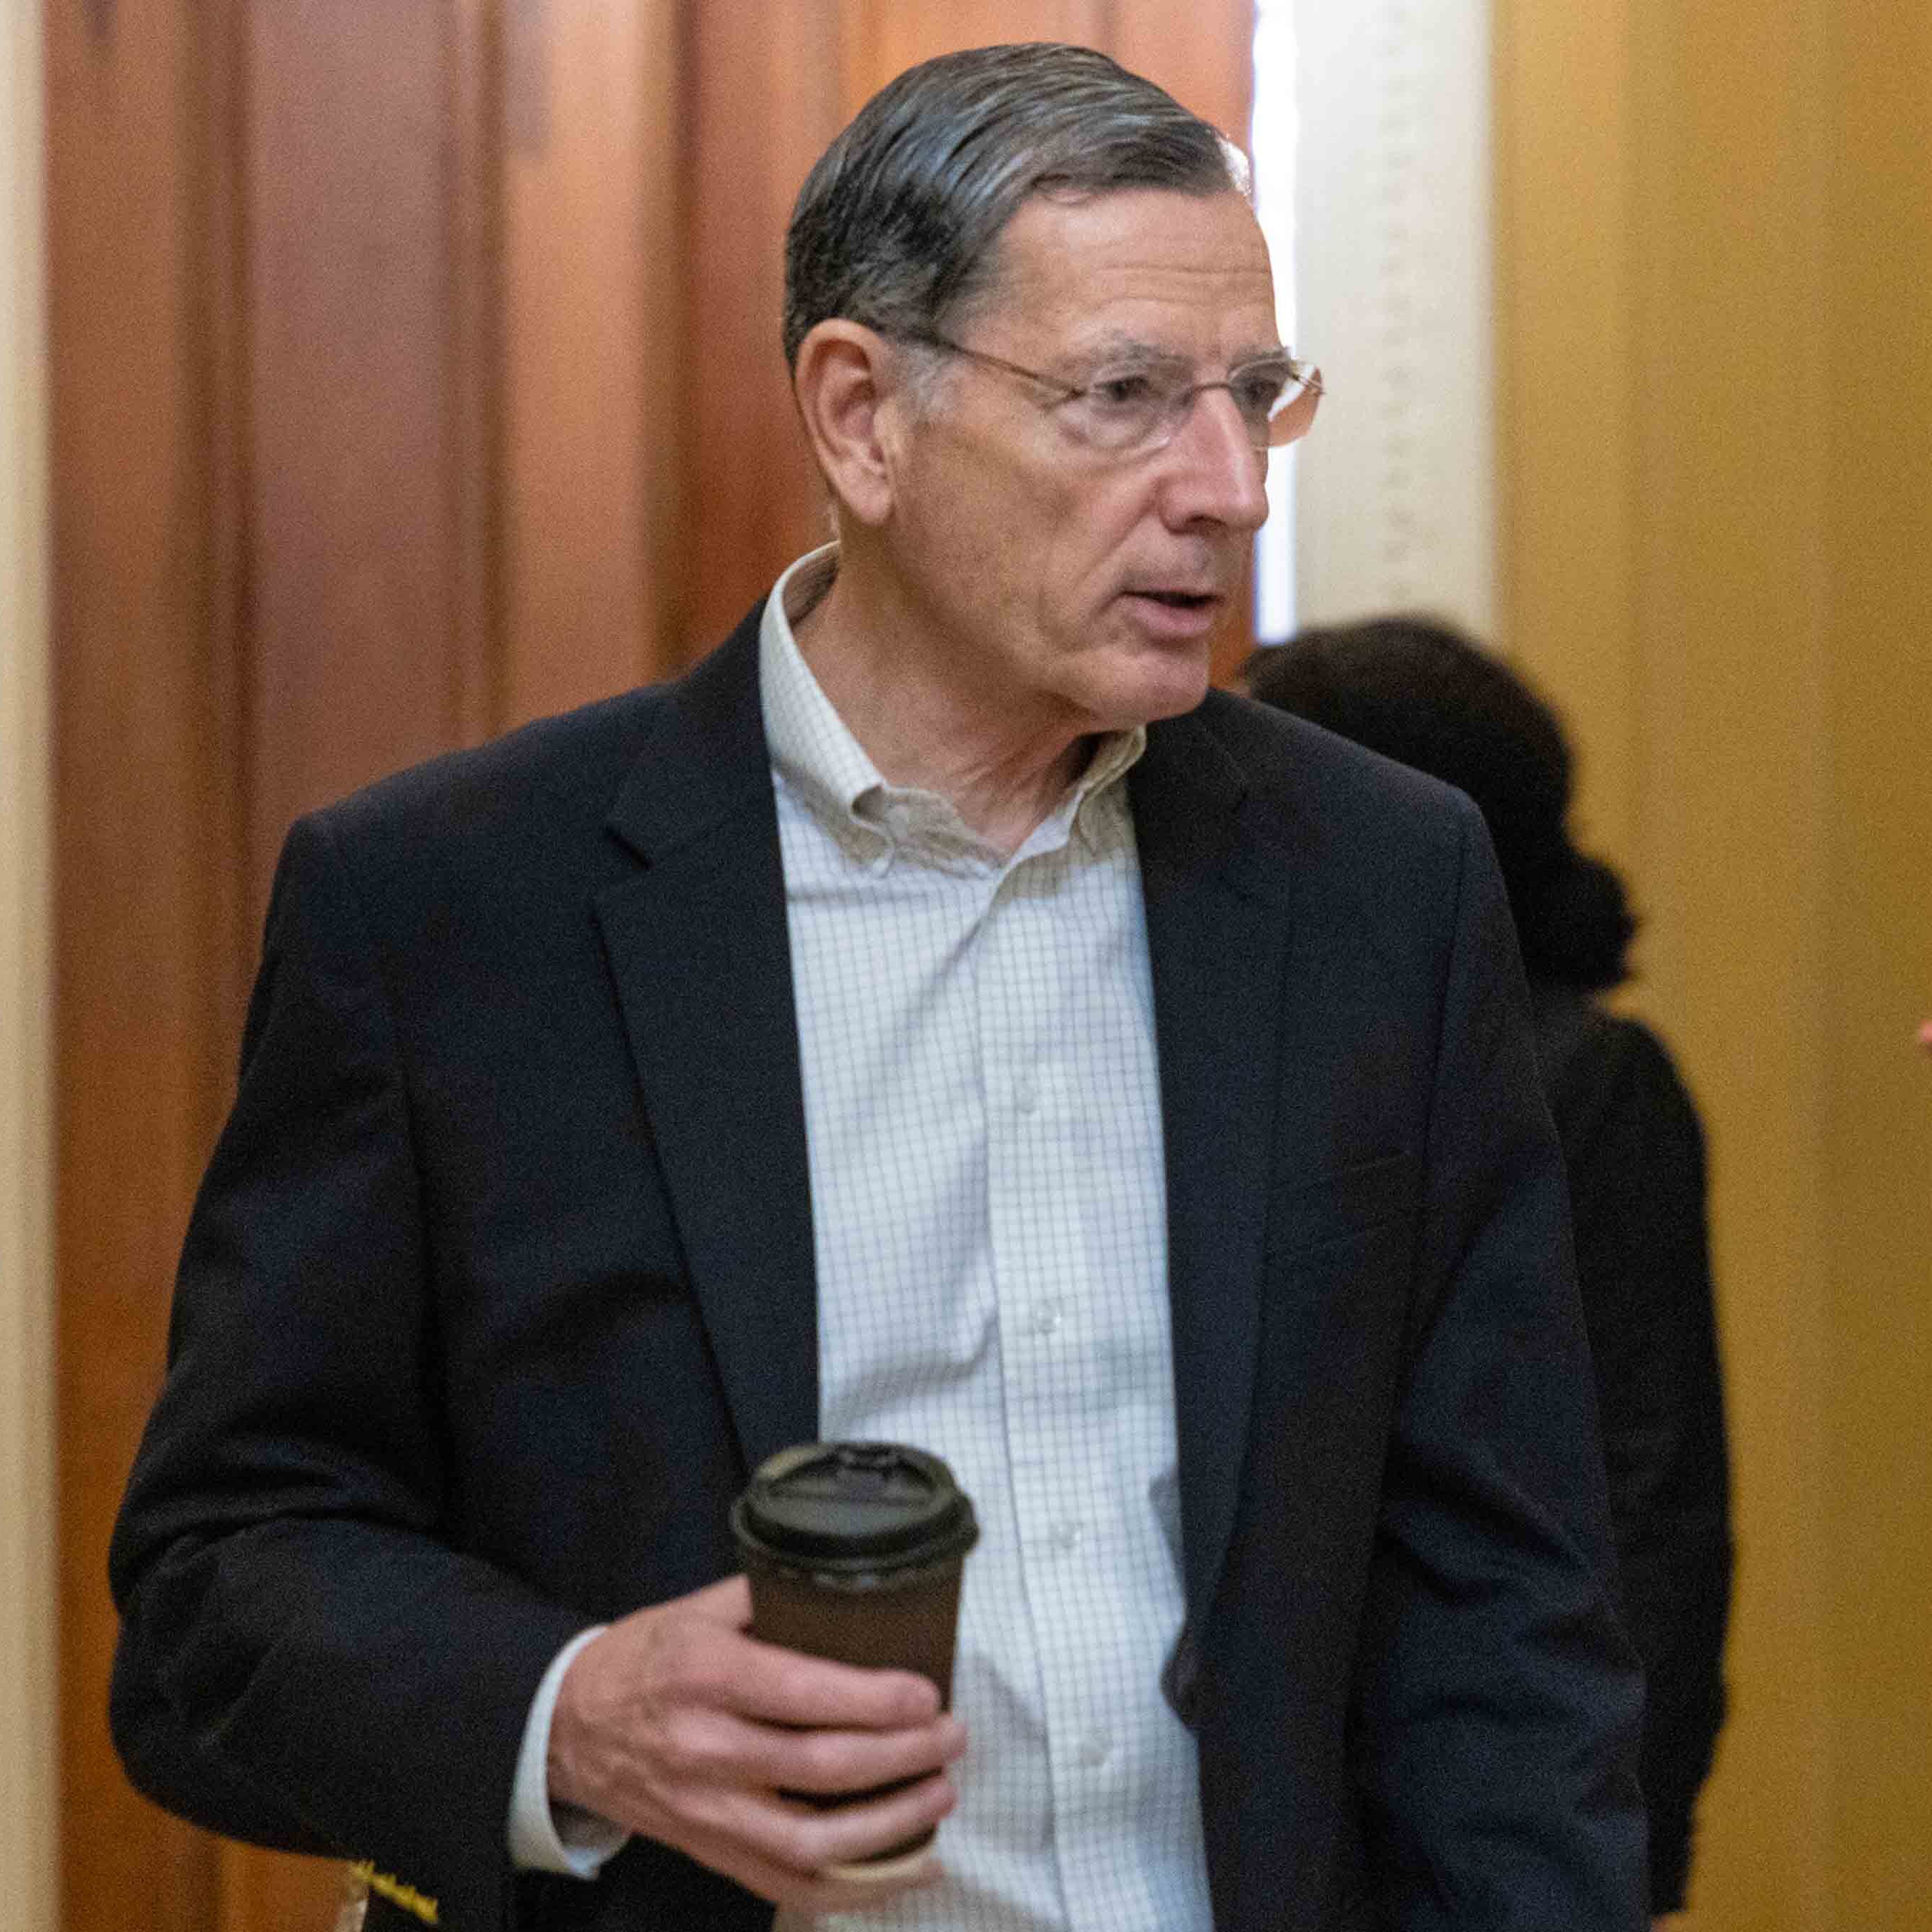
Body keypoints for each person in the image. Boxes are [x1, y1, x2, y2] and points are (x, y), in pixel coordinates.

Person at [108, 43, 1648, 1932]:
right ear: (862, 416)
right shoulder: (449, 913)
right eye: (1127, 398)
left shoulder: (1383, 890)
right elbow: (218, 1587)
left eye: (1256, 396)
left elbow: (1510, 1615)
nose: (1230, 486)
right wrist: (577, 1710)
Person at [1244, 620, 1733, 1923]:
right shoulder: (1263, 1055)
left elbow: (1652, 1495)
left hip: (1496, 1801)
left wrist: (1623, 1850)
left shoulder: (1591, 1082)